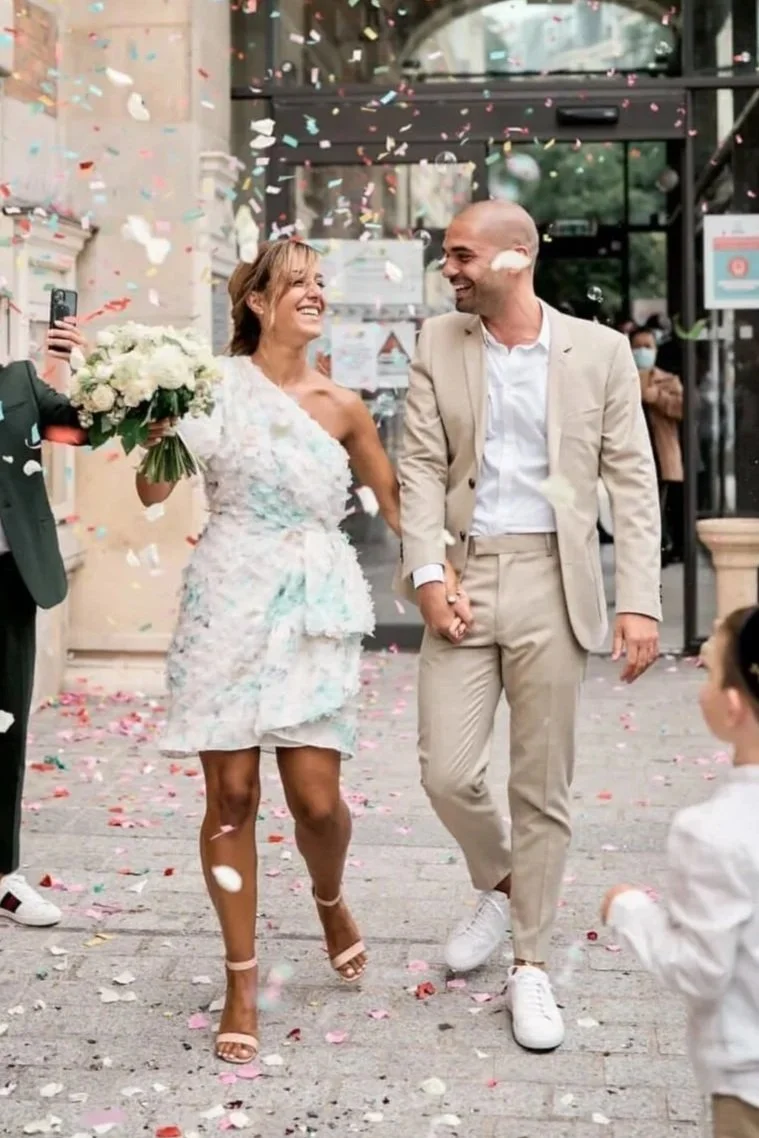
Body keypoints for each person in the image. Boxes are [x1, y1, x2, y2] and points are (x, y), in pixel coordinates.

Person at [136, 238, 464, 1065]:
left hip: (313, 604)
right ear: (257, 302)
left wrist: (442, 577)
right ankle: (240, 980)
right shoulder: (209, 385)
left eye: (320, 283)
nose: (316, 293)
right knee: (232, 798)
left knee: (316, 803)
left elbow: (399, 507)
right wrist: (157, 424)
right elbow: (150, 489)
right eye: (298, 283)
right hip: (226, 597)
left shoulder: (342, 405)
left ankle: (328, 896)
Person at [398, 200, 661, 1053]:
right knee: (446, 771)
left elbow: (631, 479)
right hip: (464, 574)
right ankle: (503, 881)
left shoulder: (599, 351)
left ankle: (530, 963)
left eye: (462, 255)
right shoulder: (438, 342)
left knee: (540, 786)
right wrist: (428, 574)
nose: (449, 269)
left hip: (555, 577)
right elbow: (419, 467)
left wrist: (639, 599)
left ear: (518, 256)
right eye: (447, 256)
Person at [602, 608, 759, 1138]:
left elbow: (701, 970)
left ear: (733, 707)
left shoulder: (713, 831)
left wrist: (630, 910)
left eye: (709, 672)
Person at [0, 321, 88, 926]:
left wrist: (82, 365)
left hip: (8, 580)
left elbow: (82, 428)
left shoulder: (19, 382)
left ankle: (2, 877)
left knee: (5, 729)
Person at [630, 325, 684, 565]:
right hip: (633, 455)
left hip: (660, 453)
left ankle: (662, 548)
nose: (642, 352)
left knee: (659, 505)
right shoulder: (622, 378)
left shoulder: (668, 380)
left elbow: (683, 408)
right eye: (637, 347)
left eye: (647, 346)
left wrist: (657, 397)